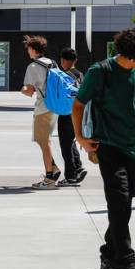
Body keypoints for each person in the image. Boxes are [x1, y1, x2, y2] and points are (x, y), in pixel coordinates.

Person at [71, 27, 135, 269]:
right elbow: (78, 105)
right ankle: (128, 262)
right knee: (119, 202)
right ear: (132, 53)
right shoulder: (100, 72)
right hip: (108, 145)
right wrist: (80, 138)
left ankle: (109, 253)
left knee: (127, 199)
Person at [21, 35, 61, 190]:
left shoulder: (32, 67)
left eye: (28, 49)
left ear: (32, 49)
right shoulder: (52, 63)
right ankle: (54, 168)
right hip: (54, 107)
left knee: (44, 143)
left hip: (42, 108)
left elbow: (29, 90)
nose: (28, 52)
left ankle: (49, 178)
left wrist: (22, 90)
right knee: (42, 140)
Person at [56, 47, 87, 187]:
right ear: (76, 60)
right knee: (71, 142)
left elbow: (62, 95)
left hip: (66, 113)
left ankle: (70, 176)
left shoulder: (64, 75)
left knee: (65, 145)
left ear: (63, 60)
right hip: (79, 113)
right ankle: (78, 168)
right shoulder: (80, 74)